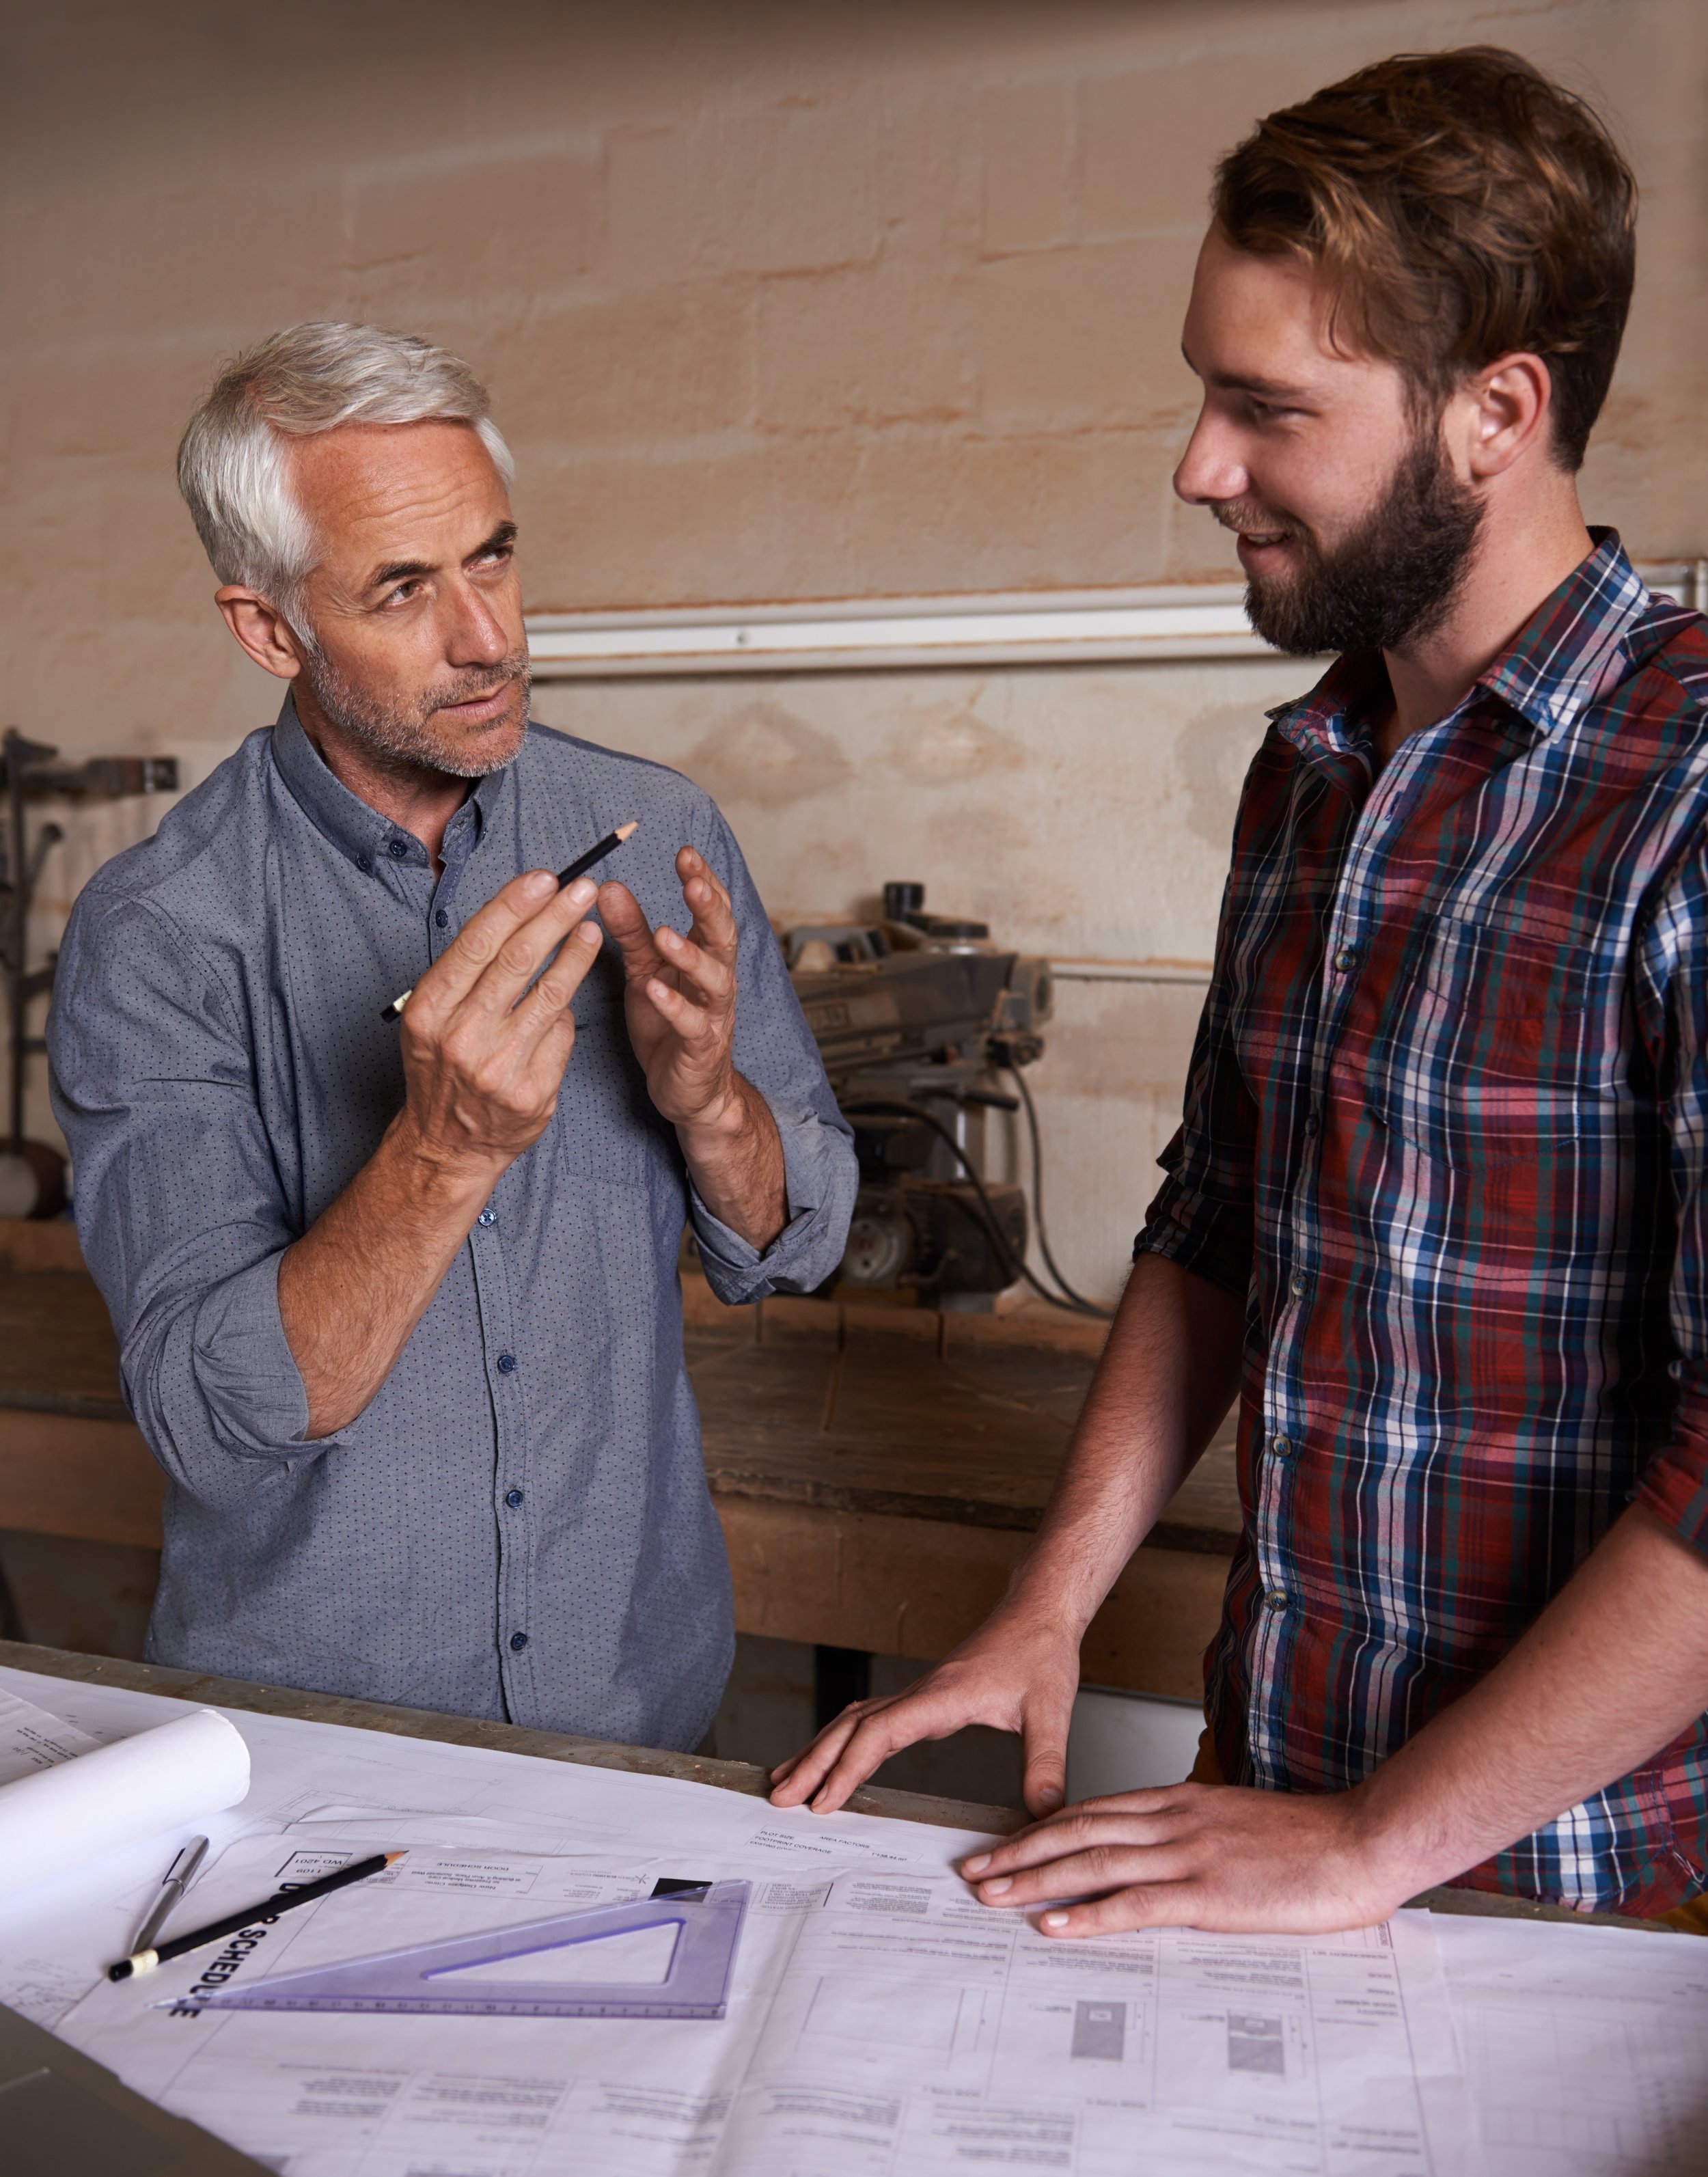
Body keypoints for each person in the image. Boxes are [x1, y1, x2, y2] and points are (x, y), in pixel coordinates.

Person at [771, 47, 1708, 1934]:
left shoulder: (1686, 789)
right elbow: (1212, 1224)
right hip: (1270, 1805)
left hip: (1589, 1896)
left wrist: (1376, 1844)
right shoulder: (1313, 767)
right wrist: (1046, 1612)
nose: (1198, 465)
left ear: (1492, 413)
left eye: (1261, 408)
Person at [49, 322, 855, 1751]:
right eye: (402, 589)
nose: (486, 638)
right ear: (268, 628)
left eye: (491, 556)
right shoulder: (160, 931)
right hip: (305, 1739)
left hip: (637, 1711)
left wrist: (706, 1099)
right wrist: (442, 1151)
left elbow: (795, 1242)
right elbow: (216, 1425)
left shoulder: (659, 831)